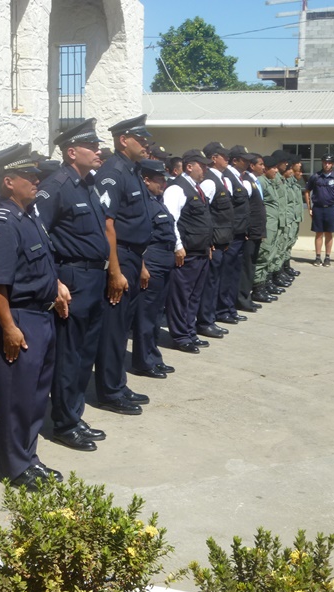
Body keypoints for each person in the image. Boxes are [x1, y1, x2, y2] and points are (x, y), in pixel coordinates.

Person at [0, 143, 68, 490]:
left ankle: (29, 457)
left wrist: (56, 286)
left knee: (35, 397)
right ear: (8, 181)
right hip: (21, 318)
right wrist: (9, 327)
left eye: (36, 175)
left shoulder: (30, 216)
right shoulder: (4, 222)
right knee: (17, 399)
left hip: (42, 316)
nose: (36, 180)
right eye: (28, 175)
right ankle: (16, 466)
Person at [34, 118, 109, 451]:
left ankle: (74, 415)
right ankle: (64, 423)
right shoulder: (56, 186)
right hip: (73, 278)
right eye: (91, 146)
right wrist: (54, 280)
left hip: (94, 278)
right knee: (69, 354)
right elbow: (39, 235)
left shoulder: (87, 184)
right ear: (71, 152)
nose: (97, 150)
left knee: (85, 353)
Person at [94, 115, 154, 414]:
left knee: (122, 328)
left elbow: (136, 222)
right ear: (123, 140)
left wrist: (139, 263)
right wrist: (115, 271)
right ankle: (109, 391)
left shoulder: (132, 170)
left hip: (132, 256)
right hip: (119, 257)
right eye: (140, 139)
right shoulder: (113, 173)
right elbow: (108, 224)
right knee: (113, 328)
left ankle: (118, 382)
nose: (145, 144)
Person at [163, 150, 214, 354]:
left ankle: (190, 332)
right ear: (190, 166)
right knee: (181, 297)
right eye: (202, 165)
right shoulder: (177, 188)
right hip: (187, 252)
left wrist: (208, 245)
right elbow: (171, 219)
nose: (206, 169)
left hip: (200, 250)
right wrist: (178, 246)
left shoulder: (196, 188)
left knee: (194, 296)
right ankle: (180, 336)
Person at [132, 159, 177, 375]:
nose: (164, 184)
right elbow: (138, 239)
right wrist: (142, 266)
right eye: (159, 180)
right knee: (146, 315)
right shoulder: (142, 204)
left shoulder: (157, 200)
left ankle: (154, 356)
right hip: (152, 262)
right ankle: (144, 362)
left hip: (164, 261)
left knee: (157, 313)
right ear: (146, 180)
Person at [196, 142, 233, 339]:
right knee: (209, 284)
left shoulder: (220, 179)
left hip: (222, 240)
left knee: (215, 282)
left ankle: (210, 318)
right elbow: (204, 213)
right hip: (213, 242)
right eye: (223, 156)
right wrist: (208, 241)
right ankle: (204, 322)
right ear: (213, 158)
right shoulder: (210, 182)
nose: (227, 159)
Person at [217, 145, 255, 325]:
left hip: (240, 233)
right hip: (231, 235)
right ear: (235, 160)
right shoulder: (227, 178)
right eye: (244, 159)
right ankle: (222, 309)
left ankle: (230, 308)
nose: (248, 163)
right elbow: (228, 209)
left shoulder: (239, 178)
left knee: (234, 273)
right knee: (226, 274)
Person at [237, 154, 267, 313]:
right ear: (252, 166)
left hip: (256, 230)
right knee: (246, 266)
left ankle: (246, 296)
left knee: (252, 264)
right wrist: (247, 228)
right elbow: (245, 208)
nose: (263, 167)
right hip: (250, 231)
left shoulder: (255, 181)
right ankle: (242, 299)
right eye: (260, 164)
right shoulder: (247, 182)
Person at [305, 153, 334, 268]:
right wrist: (309, 208)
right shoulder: (315, 177)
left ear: (333, 164)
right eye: (325, 162)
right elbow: (307, 191)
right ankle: (318, 257)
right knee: (318, 233)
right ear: (322, 163)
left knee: (329, 233)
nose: (327, 165)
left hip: (331, 208)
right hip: (318, 208)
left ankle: (327, 257)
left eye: (329, 163)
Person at [254, 155, 284, 304]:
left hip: (273, 225)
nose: (276, 171)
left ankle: (265, 283)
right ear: (265, 169)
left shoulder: (269, 182)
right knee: (263, 256)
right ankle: (257, 288)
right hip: (266, 226)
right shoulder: (260, 182)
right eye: (273, 168)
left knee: (270, 255)